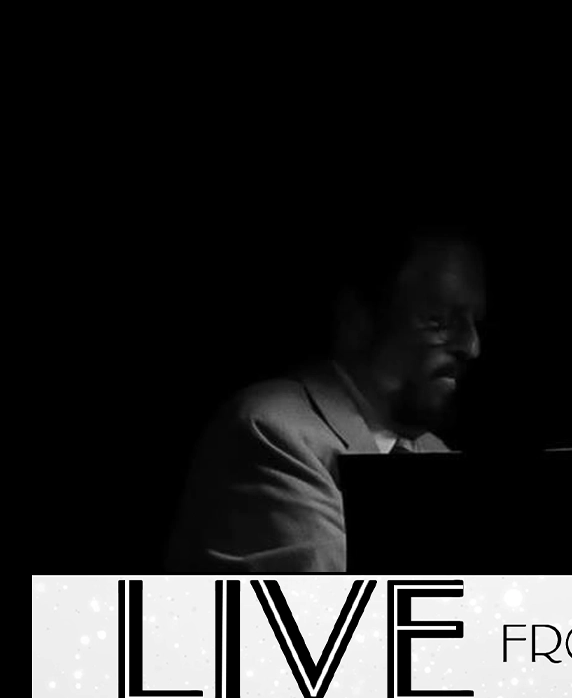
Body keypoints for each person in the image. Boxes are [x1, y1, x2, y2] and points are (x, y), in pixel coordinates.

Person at [164, 224, 486, 573]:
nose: (471, 346)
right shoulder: (271, 431)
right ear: (357, 319)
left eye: (473, 322)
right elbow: (338, 609)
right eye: (438, 320)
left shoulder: (434, 450)